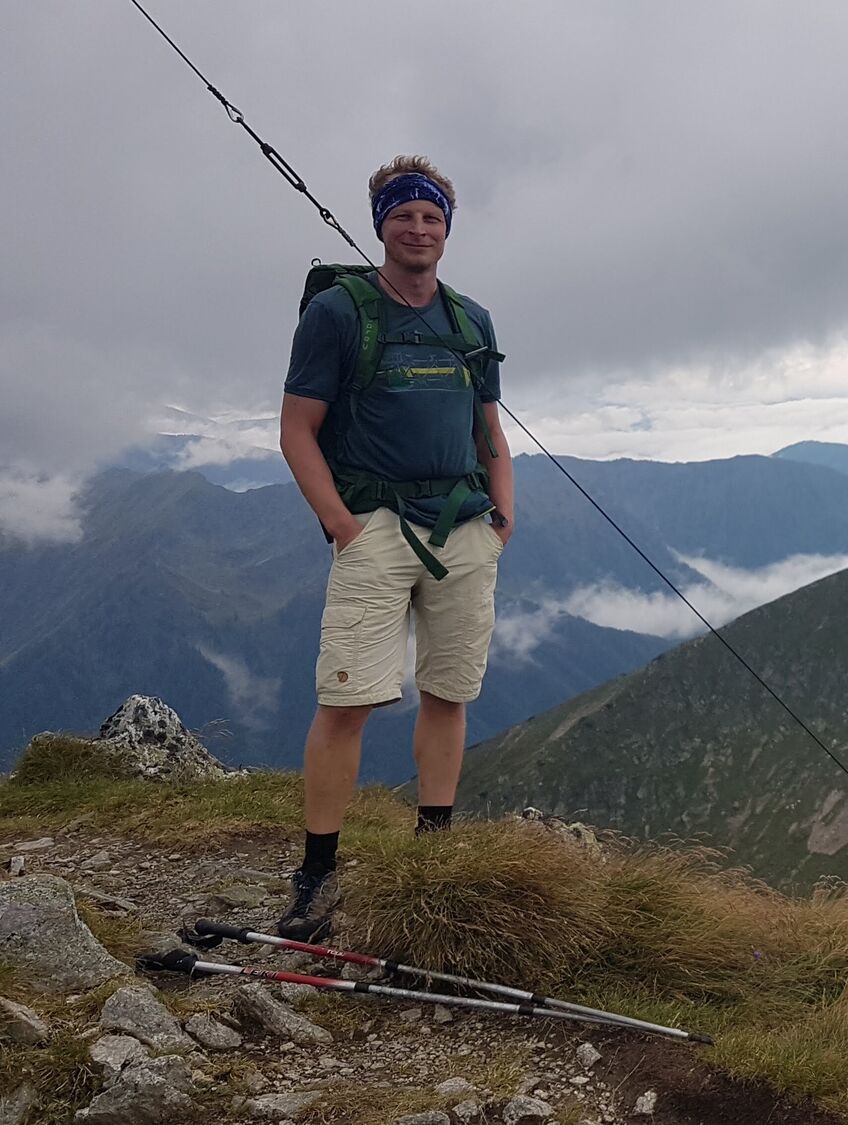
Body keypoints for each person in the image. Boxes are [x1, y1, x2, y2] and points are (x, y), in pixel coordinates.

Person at [274, 155, 514, 940]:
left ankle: (432, 853)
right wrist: (343, 524)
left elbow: (489, 431)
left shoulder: (471, 320)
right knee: (346, 700)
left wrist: (501, 517)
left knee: (449, 691)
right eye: (404, 215)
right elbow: (297, 428)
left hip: (464, 524)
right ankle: (317, 871)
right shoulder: (339, 313)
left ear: (448, 228)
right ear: (381, 224)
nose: (418, 228)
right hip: (375, 524)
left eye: (432, 216)